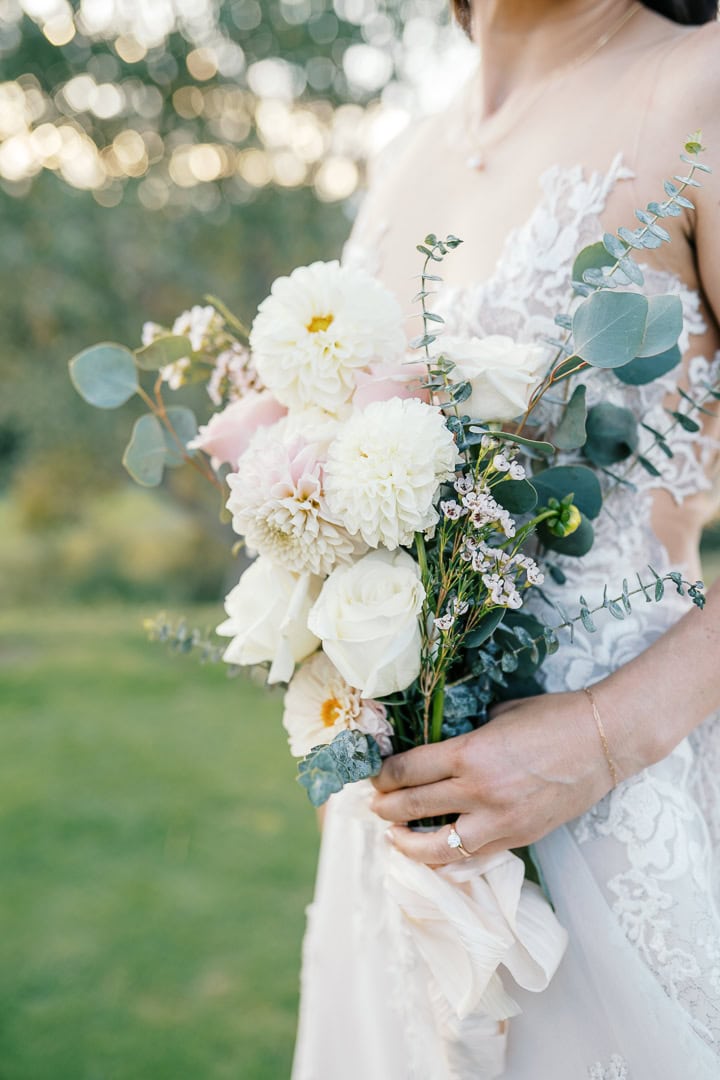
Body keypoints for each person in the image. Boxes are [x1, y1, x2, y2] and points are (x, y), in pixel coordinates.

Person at [292, 3, 720, 1077]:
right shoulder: (402, 155)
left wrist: (604, 738)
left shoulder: (702, 88)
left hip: (628, 814)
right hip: (395, 852)